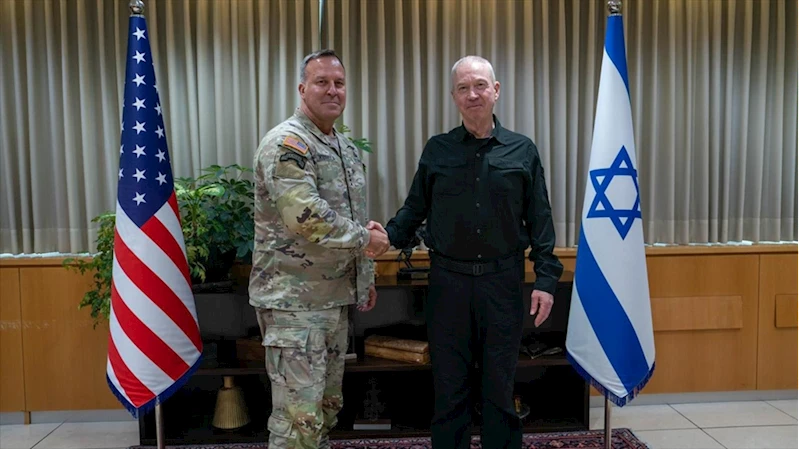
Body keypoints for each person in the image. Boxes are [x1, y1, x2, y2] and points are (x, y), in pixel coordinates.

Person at [370, 55, 563, 449]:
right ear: (454, 96)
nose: (472, 94)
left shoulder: (522, 150)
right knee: (449, 390)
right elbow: (414, 210)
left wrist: (546, 280)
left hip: (502, 284)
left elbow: (540, 219)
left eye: (479, 85)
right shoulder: (437, 150)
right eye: (463, 88)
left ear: (496, 91)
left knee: (499, 389)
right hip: (448, 285)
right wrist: (386, 237)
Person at [248, 49, 390, 449]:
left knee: (325, 411)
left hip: (332, 301)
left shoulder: (342, 146)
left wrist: (364, 277)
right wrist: (367, 239)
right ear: (302, 89)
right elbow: (305, 216)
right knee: (298, 421)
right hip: (294, 306)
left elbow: (350, 217)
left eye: (339, 83)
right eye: (322, 82)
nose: (332, 90)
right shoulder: (288, 144)